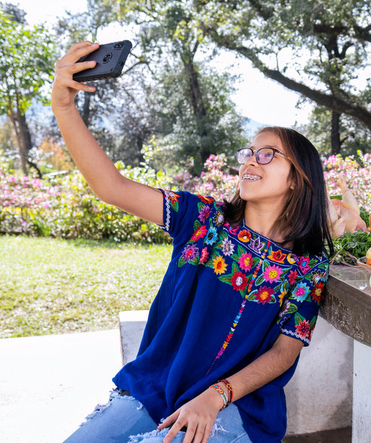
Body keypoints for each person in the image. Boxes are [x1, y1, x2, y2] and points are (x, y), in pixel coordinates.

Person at [52, 42, 334, 443]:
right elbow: (110, 187)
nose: (250, 160)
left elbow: (284, 354)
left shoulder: (307, 267)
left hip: (235, 408)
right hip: (153, 390)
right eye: (249, 152)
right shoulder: (201, 220)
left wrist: (217, 396)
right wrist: (64, 107)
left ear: (297, 178)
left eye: (268, 155)